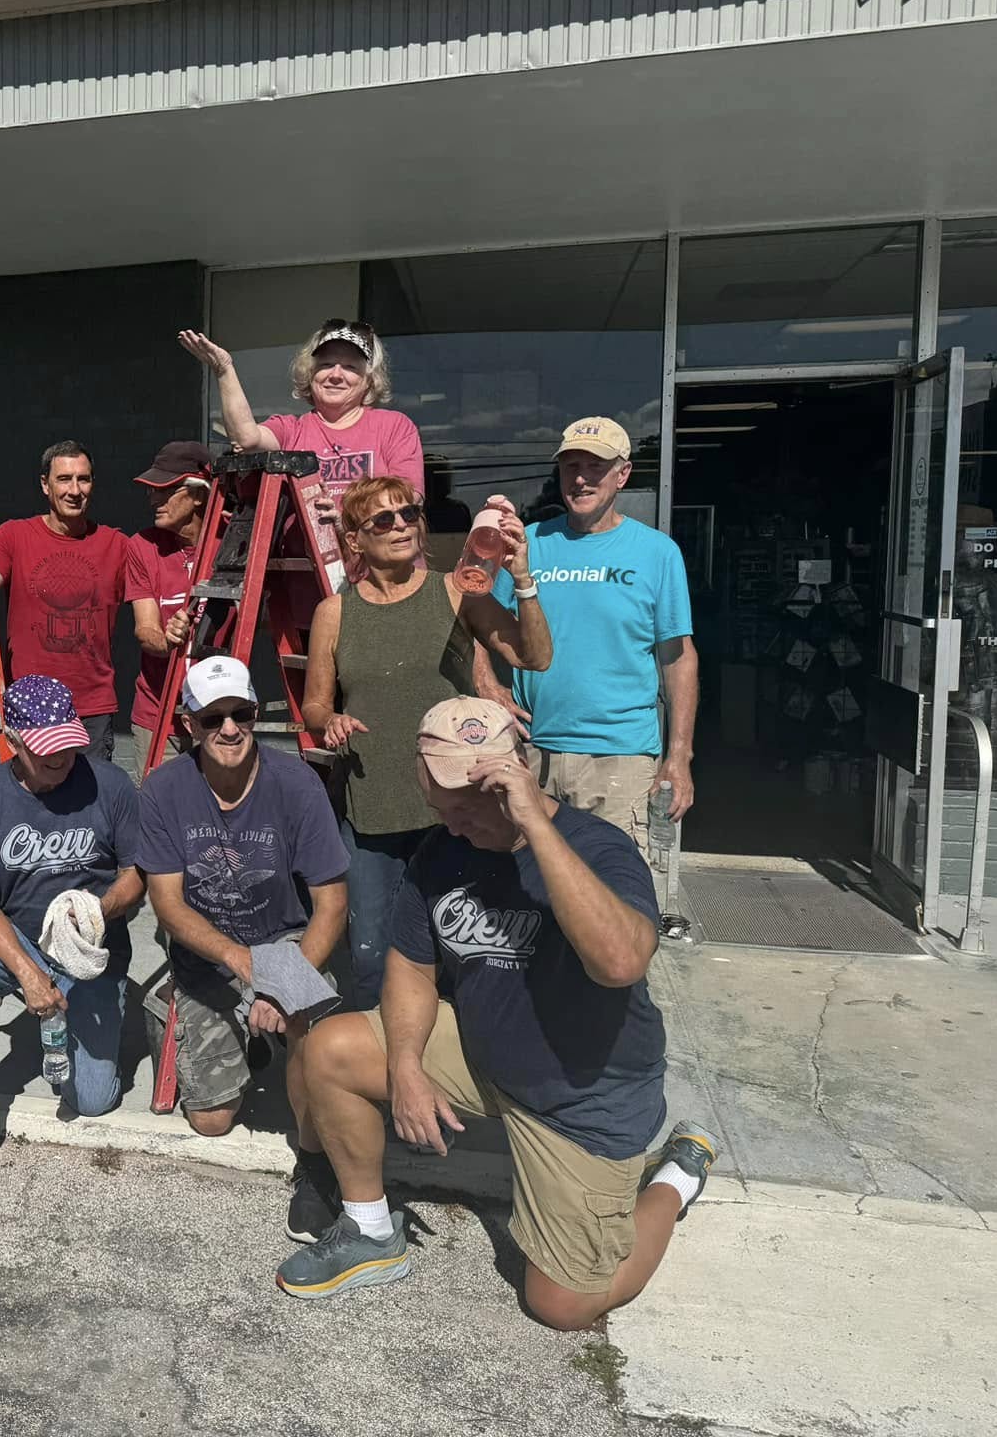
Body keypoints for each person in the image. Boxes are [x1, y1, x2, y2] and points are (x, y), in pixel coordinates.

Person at [278, 697, 718, 1332]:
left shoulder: (599, 847)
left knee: (560, 1305)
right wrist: (405, 1066)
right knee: (330, 1049)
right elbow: (411, 964)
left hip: (583, 1097)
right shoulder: (442, 851)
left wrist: (535, 828)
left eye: (469, 806)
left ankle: (675, 1177)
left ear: (519, 774)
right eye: (441, 810)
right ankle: (371, 1231)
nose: (453, 826)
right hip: (488, 1055)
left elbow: (621, 962)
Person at [300, 477, 552, 1007]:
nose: (401, 526)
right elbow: (315, 704)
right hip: (372, 810)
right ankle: (385, 1061)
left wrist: (522, 579)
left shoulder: (456, 591)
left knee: (465, 949)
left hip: (459, 811)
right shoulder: (335, 613)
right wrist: (332, 721)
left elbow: (534, 656)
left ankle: (462, 1060)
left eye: (409, 514)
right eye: (383, 520)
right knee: (372, 955)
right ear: (354, 540)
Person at [136, 655, 352, 1242]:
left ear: (256, 714)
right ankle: (175, 1010)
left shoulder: (296, 783)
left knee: (319, 1039)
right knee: (209, 1123)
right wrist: (244, 967)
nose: (228, 729)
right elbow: (168, 905)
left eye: (241, 714)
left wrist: (281, 980)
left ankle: (315, 1166)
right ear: (189, 725)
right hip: (207, 952)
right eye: (212, 719)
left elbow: (332, 905)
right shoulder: (164, 790)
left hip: (281, 939)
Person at [0, 676, 145, 1201]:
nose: (62, 760)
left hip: (90, 936)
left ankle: (106, 1013)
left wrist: (97, 909)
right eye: (46, 752)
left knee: (89, 1099)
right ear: (12, 741)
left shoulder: (110, 787)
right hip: (18, 925)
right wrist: (29, 974)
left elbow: (138, 873)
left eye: (68, 745)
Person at [491, 417, 698, 851]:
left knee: (615, 898)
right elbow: (477, 628)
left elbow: (677, 658)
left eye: (595, 466)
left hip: (620, 760)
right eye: (570, 467)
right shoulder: (526, 543)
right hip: (531, 754)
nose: (581, 479)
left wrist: (678, 757)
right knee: (529, 896)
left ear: (622, 474)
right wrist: (489, 687)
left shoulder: (657, 552)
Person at [178, 321, 425, 517]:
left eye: (350, 367)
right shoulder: (291, 428)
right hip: (306, 575)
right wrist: (224, 370)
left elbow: (409, 498)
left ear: (369, 379)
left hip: (377, 576)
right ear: (310, 374)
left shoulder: (394, 426)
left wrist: (346, 519)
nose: (336, 375)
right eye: (326, 364)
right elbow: (247, 438)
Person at [0, 441, 130, 760]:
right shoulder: (14, 536)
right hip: (27, 703)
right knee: (19, 806)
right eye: (64, 479)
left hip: (91, 708)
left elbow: (152, 594)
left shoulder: (116, 545)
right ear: (45, 484)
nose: (74, 490)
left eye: (83, 479)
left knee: (89, 807)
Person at [125, 440, 212, 765]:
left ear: (199, 494)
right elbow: (145, 628)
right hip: (157, 713)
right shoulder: (142, 545)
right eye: (151, 490)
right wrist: (168, 640)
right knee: (158, 812)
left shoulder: (232, 543)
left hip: (218, 710)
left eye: (165, 490)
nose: (153, 498)